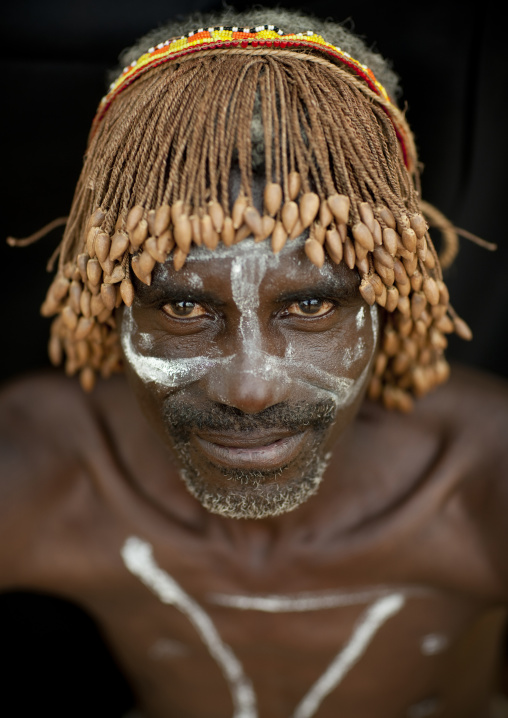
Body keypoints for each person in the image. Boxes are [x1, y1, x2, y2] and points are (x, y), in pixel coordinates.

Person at [2, 7, 508, 717]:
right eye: (183, 310)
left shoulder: (478, 477)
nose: (248, 387)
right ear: (106, 306)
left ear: (391, 304)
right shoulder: (52, 469)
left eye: (309, 308)